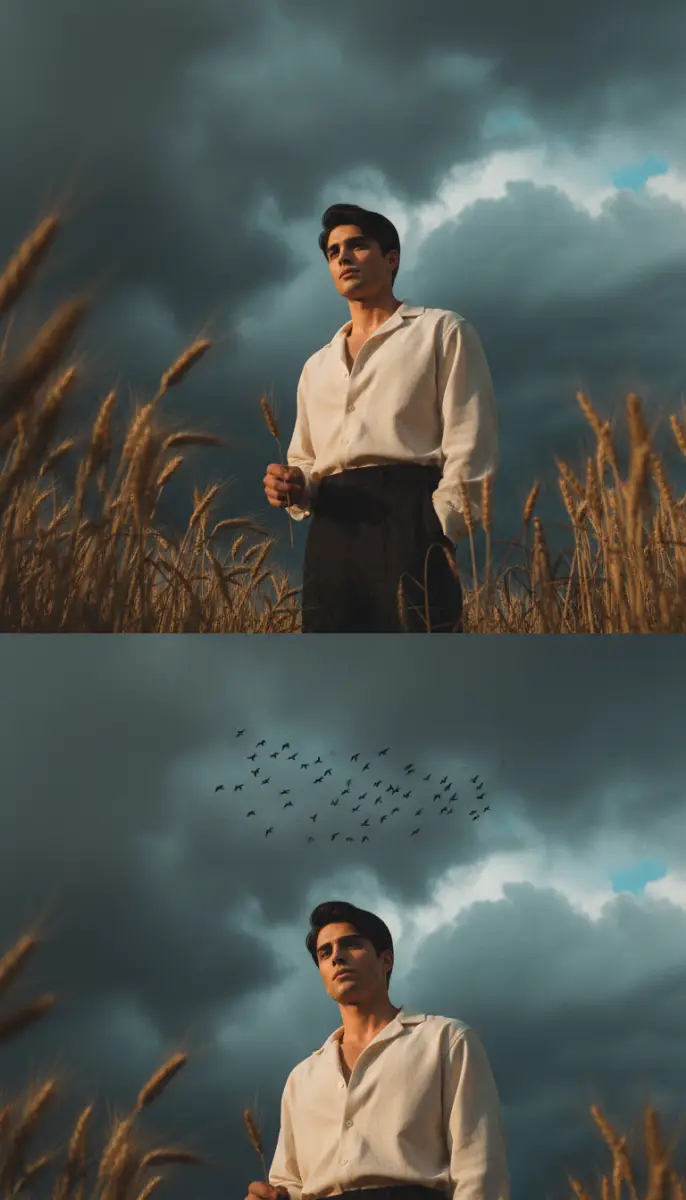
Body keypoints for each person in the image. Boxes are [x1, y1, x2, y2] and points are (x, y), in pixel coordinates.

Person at [263, 203, 498, 633]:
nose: (343, 258)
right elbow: (306, 458)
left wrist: (437, 528)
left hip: (410, 521)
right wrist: (293, 485)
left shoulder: (441, 331)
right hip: (330, 531)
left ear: (391, 259)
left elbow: (471, 442)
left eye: (357, 246)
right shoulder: (316, 366)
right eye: (333, 253)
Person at [243, 900, 510, 1200]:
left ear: (386, 960)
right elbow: (289, 1181)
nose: (337, 957)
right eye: (325, 952)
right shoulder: (301, 1078)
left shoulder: (445, 1041)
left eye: (350, 944)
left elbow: (479, 1169)